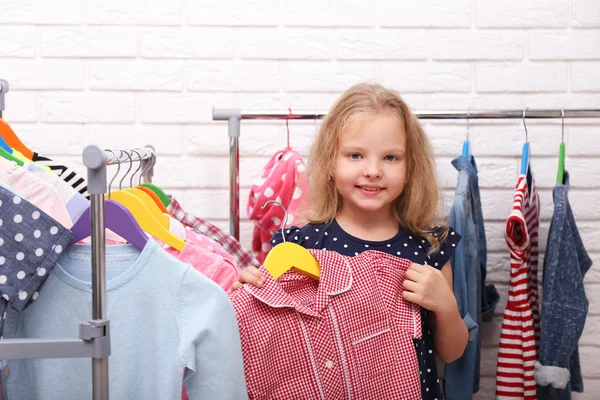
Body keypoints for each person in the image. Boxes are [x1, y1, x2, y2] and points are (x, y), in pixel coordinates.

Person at [232, 82, 468, 399]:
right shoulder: (301, 245)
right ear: (331, 161)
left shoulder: (427, 248)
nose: (372, 171)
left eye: (391, 158)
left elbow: (450, 353)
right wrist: (246, 296)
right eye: (355, 155)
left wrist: (446, 306)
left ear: (411, 167)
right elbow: (269, 343)